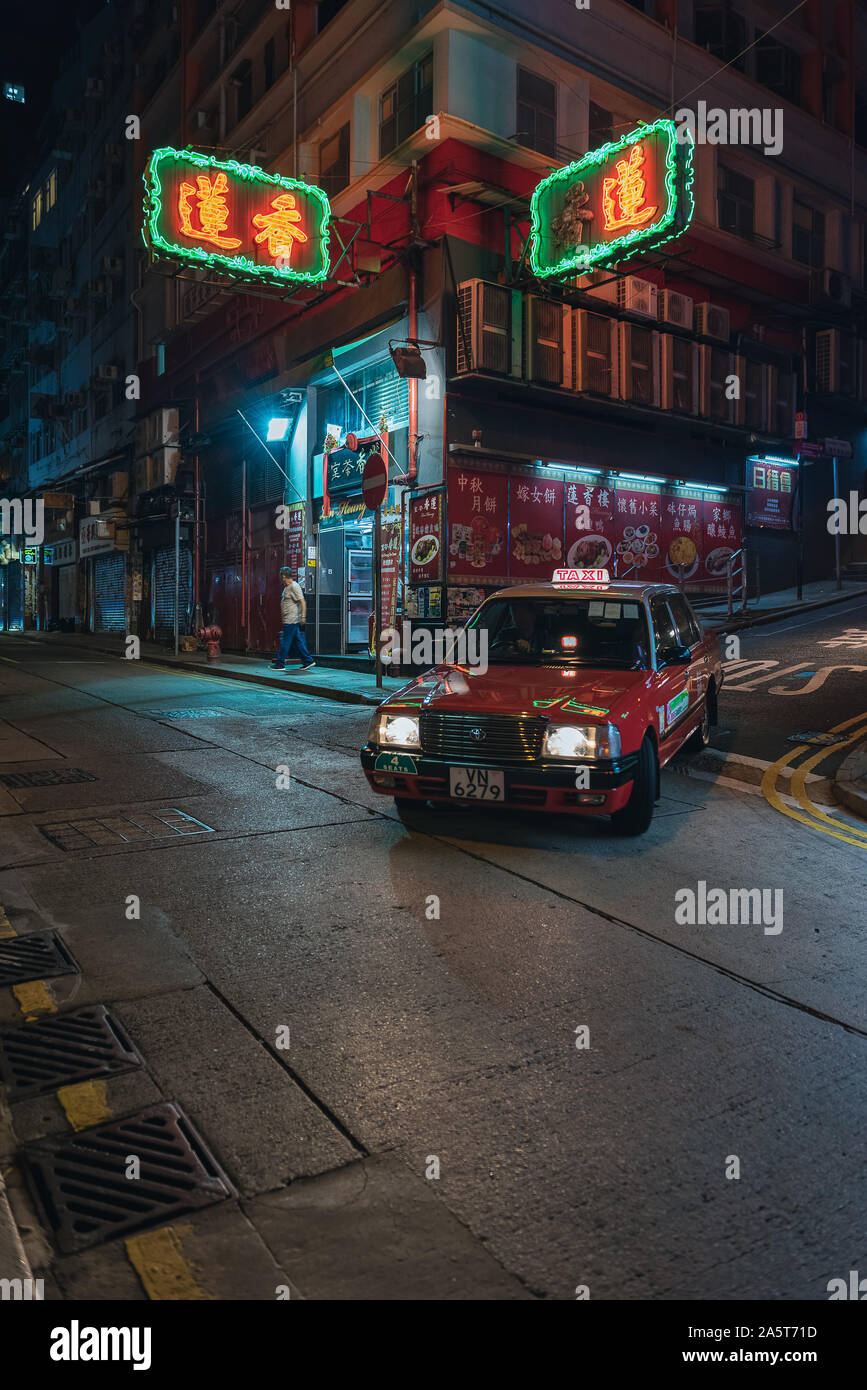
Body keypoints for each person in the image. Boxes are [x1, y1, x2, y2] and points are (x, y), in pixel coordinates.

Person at [269, 568, 316, 671]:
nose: (280, 578)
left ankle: (280, 664)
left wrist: (303, 616)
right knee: (298, 642)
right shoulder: (287, 587)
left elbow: (302, 602)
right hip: (289, 619)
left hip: (291, 620)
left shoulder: (294, 586)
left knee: (285, 642)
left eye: (281, 575)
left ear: (284, 576)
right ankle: (308, 661)